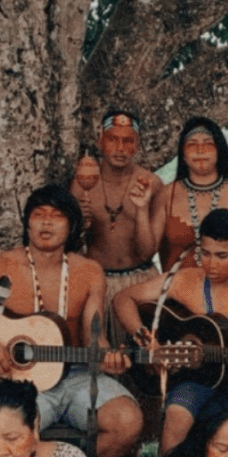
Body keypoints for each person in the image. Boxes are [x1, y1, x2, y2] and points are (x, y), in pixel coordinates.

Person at [0, 186, 143, 457]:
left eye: (57, 215)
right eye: (39, 214)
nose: (47, 222)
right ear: (27, 223)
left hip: (75, 375)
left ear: (71, 225)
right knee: (8, 434)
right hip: (17, 382)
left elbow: (93, 334)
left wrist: (107, 356)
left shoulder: (89, 272)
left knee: (128, 421)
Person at [114, 208, 228, 454]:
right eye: (204, 254)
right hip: (199, 379)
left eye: (222, 256)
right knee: (176, 415)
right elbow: (123, 298)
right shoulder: (185, 280)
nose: (211, 264)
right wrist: (147, 341)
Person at [151, 116, 228, 284]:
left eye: (208, 144)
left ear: (219, 150)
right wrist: (139, 209)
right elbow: (145, 253)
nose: (200, 150)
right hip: (175, 301)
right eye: (192, 144)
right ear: (183, 154)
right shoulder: (166, 195)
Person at [71, 110, 164, 311]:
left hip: (140, 282)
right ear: (100, 140)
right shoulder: (82, 183)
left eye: (128, 141)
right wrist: (81, 225)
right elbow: (70, 248)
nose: (120, 148)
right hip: (97, 283)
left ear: (138, 145)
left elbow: (147, 253)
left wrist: (141, 211)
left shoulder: (151, 184)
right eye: (113, 139)